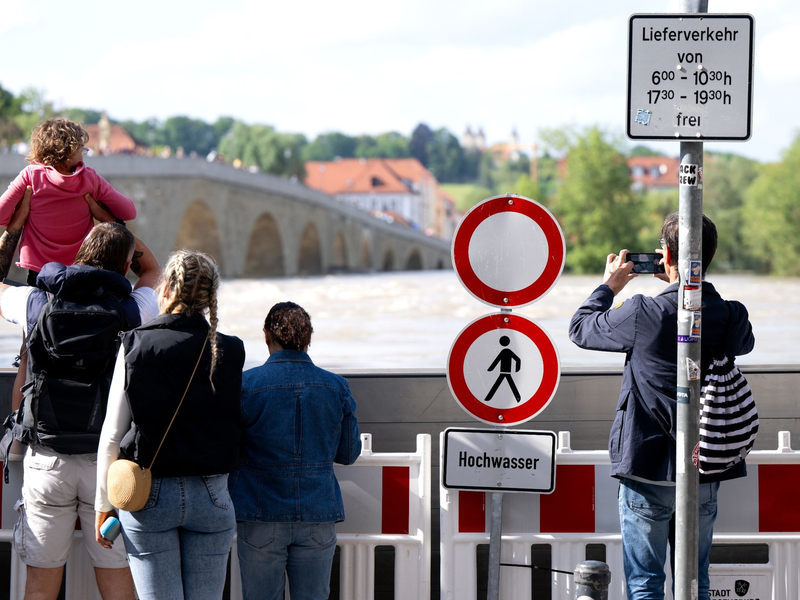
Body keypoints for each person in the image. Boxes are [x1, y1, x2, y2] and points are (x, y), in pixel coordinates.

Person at [568, 213, 755, 600]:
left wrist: (609, 285)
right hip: (705, 468)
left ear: (665, 255)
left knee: (645, 583)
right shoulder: (732, 314)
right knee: (695, 581)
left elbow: (581, 329)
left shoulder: (643, 312)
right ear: (712, 255)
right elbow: (744, 343)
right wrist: (683, 285)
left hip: (649, 467)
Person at [0, 222, 161, 600]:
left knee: (39, 586)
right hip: (109, 467)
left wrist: (15, 230)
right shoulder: (133, 312)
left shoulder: (36, 304)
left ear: (78, 256)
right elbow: (153, 271)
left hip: (46, 461)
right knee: (118, 582)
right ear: (123, 268)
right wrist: (116, 224)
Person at [95, 250, 245, 600]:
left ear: (165, 291)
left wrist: (103, 504)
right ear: (210, 298)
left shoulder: (136, 344)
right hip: (212, 495)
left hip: (149, 493)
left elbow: (113, 434)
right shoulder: (231, 351)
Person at [229, 301, 361, 600]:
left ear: (266, 335)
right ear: (309, 338)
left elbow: (229, 450)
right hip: (318, 511)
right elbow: (349, 453)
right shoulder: (336, 386)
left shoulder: (245, 385)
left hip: (260, 511)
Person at [0, 117, 137, 284]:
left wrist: (20, 214)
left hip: (39, 271)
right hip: (78, 269)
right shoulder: (89, 179)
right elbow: (129, 212)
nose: (84, 155)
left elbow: (1, 216)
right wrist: (99, 209)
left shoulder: (30, 176)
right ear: (69, 153)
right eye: (82, 150)